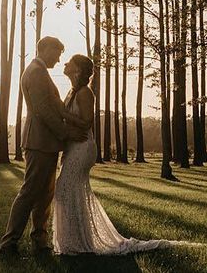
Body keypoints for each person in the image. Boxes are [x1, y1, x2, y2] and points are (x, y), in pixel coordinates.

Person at [52, 53, 190, 255]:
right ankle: (75, 240)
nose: (64, 63)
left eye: (69, 61)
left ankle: (79, 242)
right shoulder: (72, 92)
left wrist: (62, 114)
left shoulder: (84, 93)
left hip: (83, 148)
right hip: (73, 146)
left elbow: (87, 122)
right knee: (69, 190)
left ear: (78, 69)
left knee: (65, 188)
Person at [0, 37, 90, 255]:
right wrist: (67, 132)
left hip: (46, 142)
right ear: (46, 49)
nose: (59, 60)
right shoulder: (36, 72)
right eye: (57, 53)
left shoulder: (40, 71)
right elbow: (42, 110)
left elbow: (55, 106)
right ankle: (9, 242)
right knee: (30, 191)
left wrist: (69, 121)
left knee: (45, 194)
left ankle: (40, 239)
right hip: (38, 141)